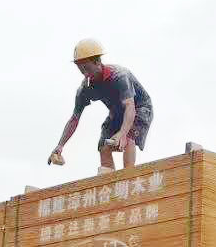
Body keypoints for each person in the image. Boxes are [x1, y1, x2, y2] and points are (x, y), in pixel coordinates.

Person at [48, 38, 153, 173]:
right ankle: (109, 180)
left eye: (87, 68)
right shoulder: (84, 89)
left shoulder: (119, 76)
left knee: (128, 138)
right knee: (104, 146)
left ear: (97, 62)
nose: (85, 74)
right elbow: (74, 118)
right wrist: (60, 145)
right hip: (117, 112)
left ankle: (129, 176)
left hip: (139, 108)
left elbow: (129, 106)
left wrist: (122, 133)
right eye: (81, 70)